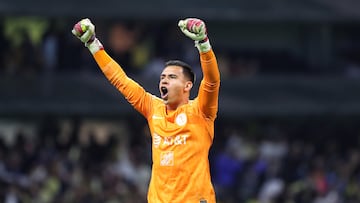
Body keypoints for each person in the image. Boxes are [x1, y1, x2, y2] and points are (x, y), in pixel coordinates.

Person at [72, 17, 220, 203]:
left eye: (172, 77)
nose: (164, 81)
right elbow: (121, 80)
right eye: (162, 77)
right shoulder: (153, 108)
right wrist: (93, 44)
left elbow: (212, 81)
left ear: (187, 86)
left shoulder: (201, 111)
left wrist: (203, 43)